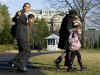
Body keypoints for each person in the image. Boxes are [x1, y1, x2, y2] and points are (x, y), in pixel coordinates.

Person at [9, 3, 35, 72]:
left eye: (28, 7)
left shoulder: (26, 15)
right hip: (21, 36)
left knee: (22, 51)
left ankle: (20, 67)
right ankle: (14, 61)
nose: (27, 8)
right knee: (27, 51)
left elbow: (26, 25)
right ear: (23, 7)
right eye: (26, 6)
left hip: (24, 36)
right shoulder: (21, 13)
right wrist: (17, 15)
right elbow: (14, 19)